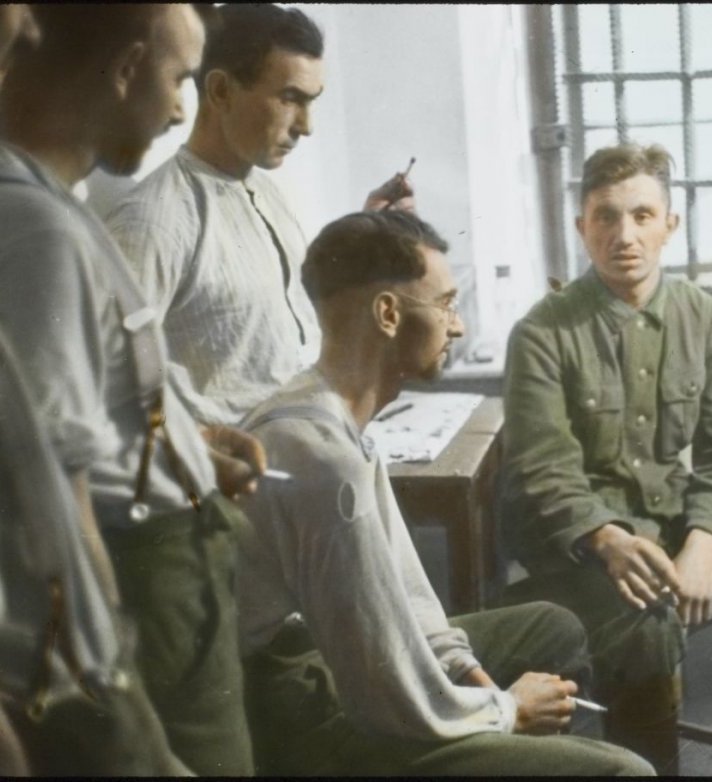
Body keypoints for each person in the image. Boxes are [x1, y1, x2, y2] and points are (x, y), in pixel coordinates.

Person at [0, 5, 265, 775]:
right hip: (139, 592)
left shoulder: (35, 203)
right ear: (125, 69)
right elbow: (49, 493)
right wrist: (113, 690)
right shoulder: (31, 230)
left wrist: (191, 447)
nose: (179, 111)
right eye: (179, 80)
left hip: (163, 573)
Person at [234, 209, 655, 776]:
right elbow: (386, 691)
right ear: (388, 314)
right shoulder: (324, 462)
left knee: (552, 626)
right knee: (627, 773)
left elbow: (405, 597)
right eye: (446, 304)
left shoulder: (327, 415)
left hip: (327, 663)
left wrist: (468, 674)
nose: (455, 327)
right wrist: (506, 712)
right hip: (297, 711)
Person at [498, 142, 712, 772]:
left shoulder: (700, 314)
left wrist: (703, 543)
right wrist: (607, 539)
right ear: (581, 227)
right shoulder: (542, 332)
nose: (624, 235)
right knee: (647, 627)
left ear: (669, 225)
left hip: (681, 523)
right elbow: (544, 469)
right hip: (584, 546)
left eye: (642, 215)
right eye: (606, 216)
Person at [104, 3, 414, 427]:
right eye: (290, 98)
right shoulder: (153, 221)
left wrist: (367, 229)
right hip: (236, 465)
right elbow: (108, 387)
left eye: (311, 102)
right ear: (220, 91)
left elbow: (289, 321)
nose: (306, 126)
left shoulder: (266, 193)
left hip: (310, 444)